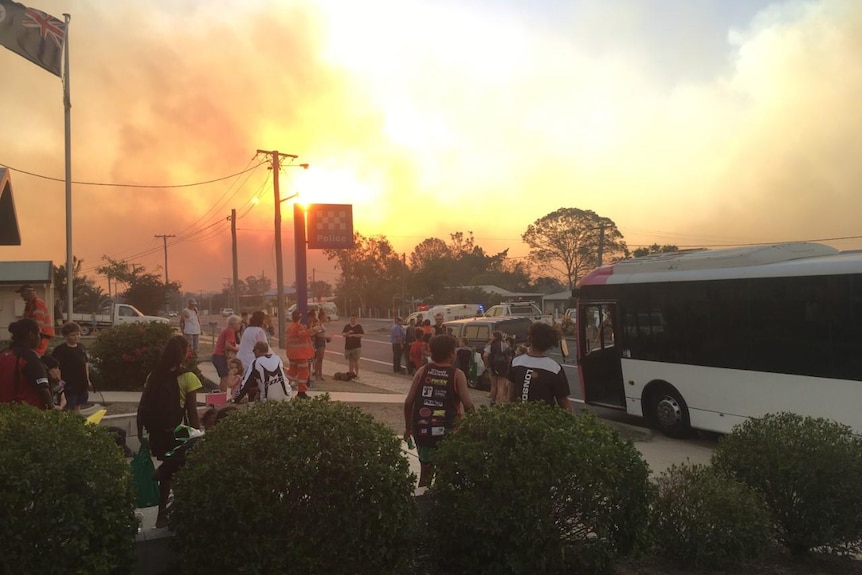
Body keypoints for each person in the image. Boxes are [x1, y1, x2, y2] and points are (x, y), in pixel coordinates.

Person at [136, 335, 203, 528]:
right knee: (181, 470)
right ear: (184, 353)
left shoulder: (154, 375)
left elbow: (144, 404)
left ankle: (163, 514)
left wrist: (141, 434)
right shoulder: (188, 377)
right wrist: (197, 434)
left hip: (157, 434)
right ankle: (175, 510)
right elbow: (191, 411)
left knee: (171, 469)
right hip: (177, 433)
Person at [403, 334, 475, 488]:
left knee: (425, 474)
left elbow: (409, 402)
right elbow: (468, 406)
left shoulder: (423, 371)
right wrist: (473, 429)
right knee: (444, 475)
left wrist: (408, 428)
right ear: (451, 353)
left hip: (422, 430)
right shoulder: (457, 375)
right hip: (448, 432)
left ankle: (421, 506)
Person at [507, 322, 573, 412]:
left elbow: (511, 396)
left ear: (530, 339)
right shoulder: (554, 368)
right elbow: (563, 401)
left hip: (520, 417)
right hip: (544, 420)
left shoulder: (516, 362)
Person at [0, 318, 54, 409]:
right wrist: (53, 409)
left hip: (5, 413)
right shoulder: (30, 357)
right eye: (39, 335)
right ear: (31, 334)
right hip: (27, 413)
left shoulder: (3, 353)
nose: (40, 339)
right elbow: (43, 389)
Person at [51, 322, 93, 414]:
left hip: (81, 383)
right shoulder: (60, 350)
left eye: (78, 334)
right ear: (66, 336)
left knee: (78, 404)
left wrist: (87, 379)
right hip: (68, 384)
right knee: (67, 406)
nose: (76, 337)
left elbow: (85, 364)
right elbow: (55, 368)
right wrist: (59, 384)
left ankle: (77, 421)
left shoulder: (81, 347)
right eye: (73, 335)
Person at [16, 284, 55, 357]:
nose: (21, 295)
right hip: (38, 335)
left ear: (29, 292)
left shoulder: (37, 303)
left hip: (41, 335)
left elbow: (38, 322)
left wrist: (35, 337)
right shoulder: (31, 304)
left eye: (22, 293)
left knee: (36, 356)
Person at [284, 310, 314, 399]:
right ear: (300, 317)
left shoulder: (290, 327)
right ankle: (301, 392)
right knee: (304, 373)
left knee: (292, 372)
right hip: (300, 354)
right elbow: (303, 334)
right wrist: (312, 329)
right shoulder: (298, 326)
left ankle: (283, 385)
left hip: (292, 354)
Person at [212, 314, 241, 392]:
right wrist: (238, 350)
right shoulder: (230, 331)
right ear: (234, 324)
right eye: (239, 323)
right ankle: (222, 396)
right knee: (225, 378)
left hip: (217, 356)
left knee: (224, 377)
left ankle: (221, 395)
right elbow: (227, 345)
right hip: (220, 356)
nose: (240, 325)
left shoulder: (226, 330)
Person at [236, 310, 269, 376]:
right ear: (261, 320)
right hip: (251, 360)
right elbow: (264, 348)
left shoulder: (247, 329)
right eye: (265, 319)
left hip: (240, 358)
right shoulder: (259, 331)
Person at [483, 331, 511, 405]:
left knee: (493, 385)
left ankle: (493, 400)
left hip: (493, 365)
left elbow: (485, 355)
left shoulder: (491, 345)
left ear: (495, 337)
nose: (490, 337)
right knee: (501, 386)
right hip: (503, 366)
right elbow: (509, 355)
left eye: (491, 336)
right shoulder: (505, 344)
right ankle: (501, 403)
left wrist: (487, 364)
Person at [342, 314, 364, 378]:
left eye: (354, 318)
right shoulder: (347, 326)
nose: (352, 320)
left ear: (356, 319)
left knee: (356, 360)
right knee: (350, 360)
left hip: (356, 346)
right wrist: (348, 333)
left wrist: (353, 335)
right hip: (348, 346)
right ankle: (351, 373)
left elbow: (361, 335)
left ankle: (357, 374)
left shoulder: (359, 326)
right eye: (351, 318)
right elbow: (343, 335)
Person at [310, 308, 330, 381]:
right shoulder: (318, 324)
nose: (326, 317)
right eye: (325, 316)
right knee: (319, 359)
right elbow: (317, 334)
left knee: (320, 359)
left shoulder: (321, 324)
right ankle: (317, 375)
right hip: (319, 342)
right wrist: (326, 337)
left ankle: (320, 375)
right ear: (322, 317)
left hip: (322, 342)